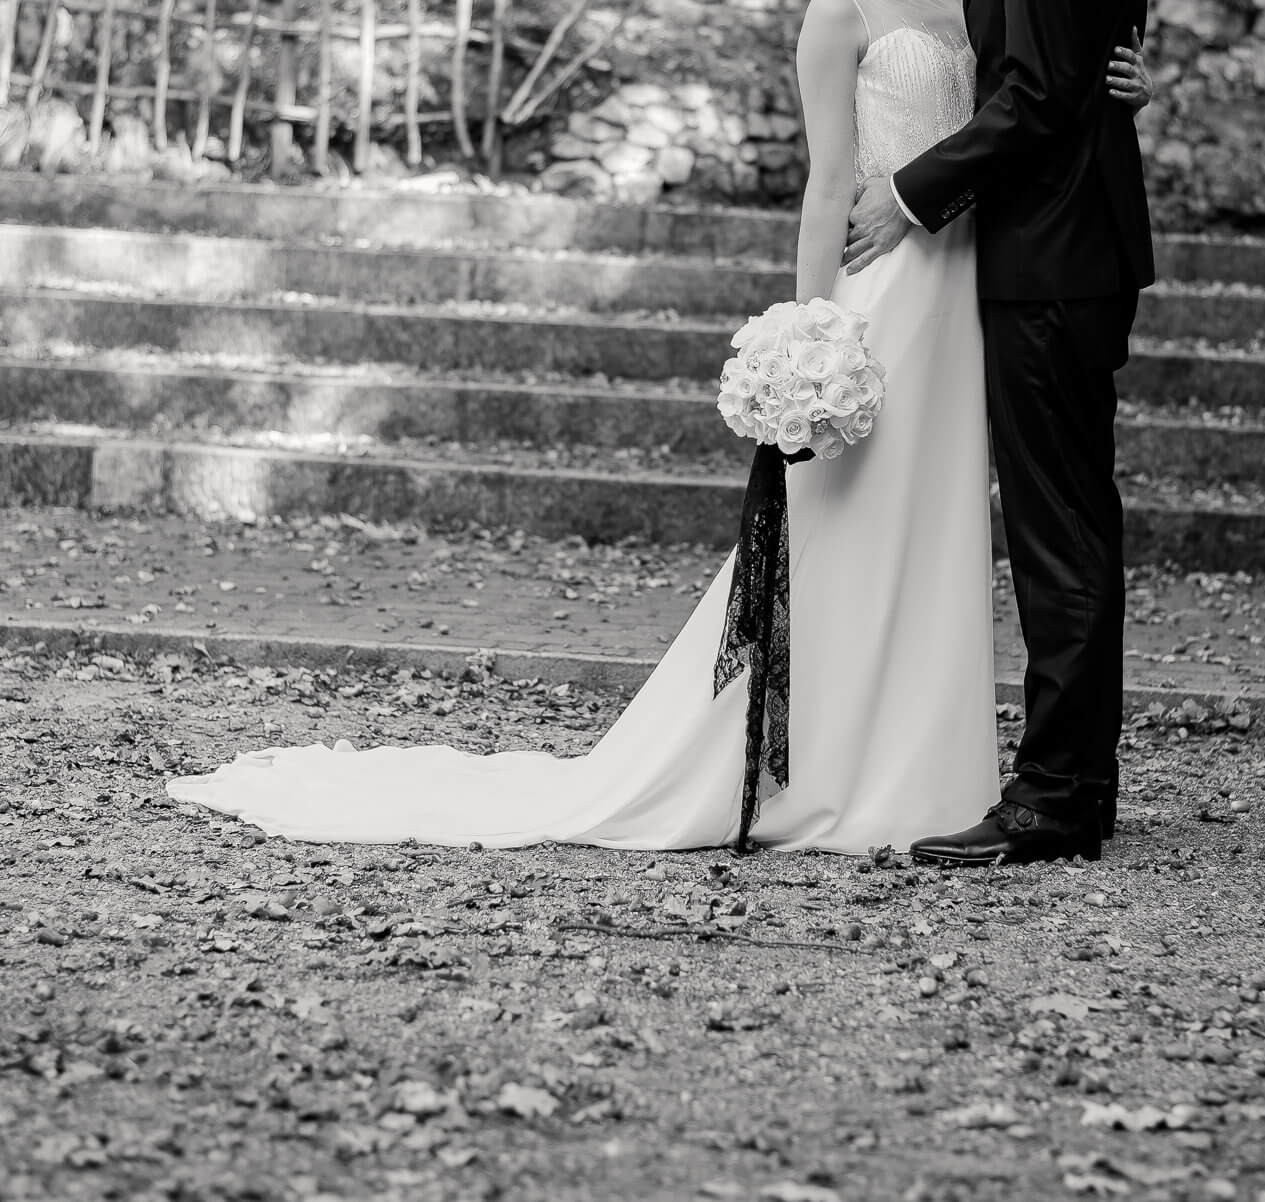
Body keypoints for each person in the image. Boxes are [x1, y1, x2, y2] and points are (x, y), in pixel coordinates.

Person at [165, 0, 1153, 859]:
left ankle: (947, 768)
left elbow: (1048, 84)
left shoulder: (973, 3)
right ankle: (822, 768)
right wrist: (807, 333)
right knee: (846, 533)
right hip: (889, 290)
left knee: (944, 541)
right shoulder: (836, 15)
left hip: (967, 289)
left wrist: (1124, 83)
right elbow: (827, 184)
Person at [845, 0, 1156, 866]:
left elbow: (1038, 97)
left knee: (1058, 531)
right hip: (1066, 250)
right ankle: (1082, 784)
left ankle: (1055, 796)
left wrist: (909, 193)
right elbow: (1080, 61)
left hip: (1052, 259)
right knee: (1073, 525)